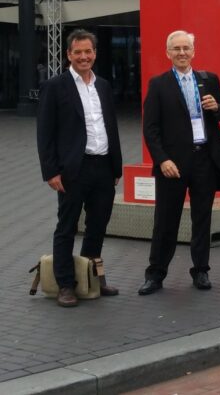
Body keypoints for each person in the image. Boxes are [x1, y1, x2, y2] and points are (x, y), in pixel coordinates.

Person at [138, 30, 220, 295]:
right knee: (166, 220)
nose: (181, 53)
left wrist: (217, 108)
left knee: (202, 218)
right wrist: (163, 159)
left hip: (205, 159)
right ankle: (155, 274)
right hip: (173, 165)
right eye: (176, 49)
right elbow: (150, 129)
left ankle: (201, 270)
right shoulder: (159, 84)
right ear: (168, 53)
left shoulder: (208, 80)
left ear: (193, 51)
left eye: (186, 48)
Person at [36, 29, 122, 307]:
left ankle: (92, 277)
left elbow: (111, 127)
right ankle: (65, 285)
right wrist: (50, 172)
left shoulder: (104, 86)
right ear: (68, 55)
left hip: (104, 166)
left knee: (98, 226)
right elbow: (45, 134)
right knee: (67, 227)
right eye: (78, 52)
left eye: (88, 52)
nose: (84, 57)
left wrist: (116, 166)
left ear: (95, 54)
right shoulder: (55, 86)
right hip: (73, 169)